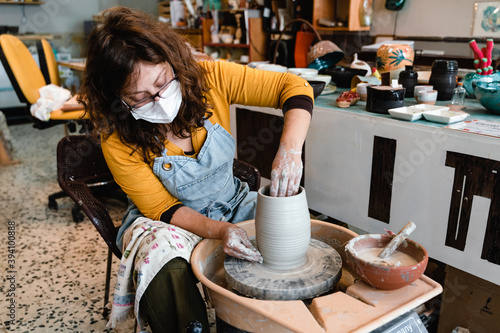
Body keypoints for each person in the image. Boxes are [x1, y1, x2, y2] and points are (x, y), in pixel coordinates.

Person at [79, 6, 313, 333]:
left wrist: (290, 149)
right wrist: (218, 231)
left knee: (285, 242)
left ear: (173, 61)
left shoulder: (208, 78)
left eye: (162, 82)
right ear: (118, 100)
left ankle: (258, 323)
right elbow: (162, 207)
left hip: (231, 201)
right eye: (140, 98)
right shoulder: (115, 136)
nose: (159, 100)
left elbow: (293, 87)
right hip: (168, 220)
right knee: (164, 263)